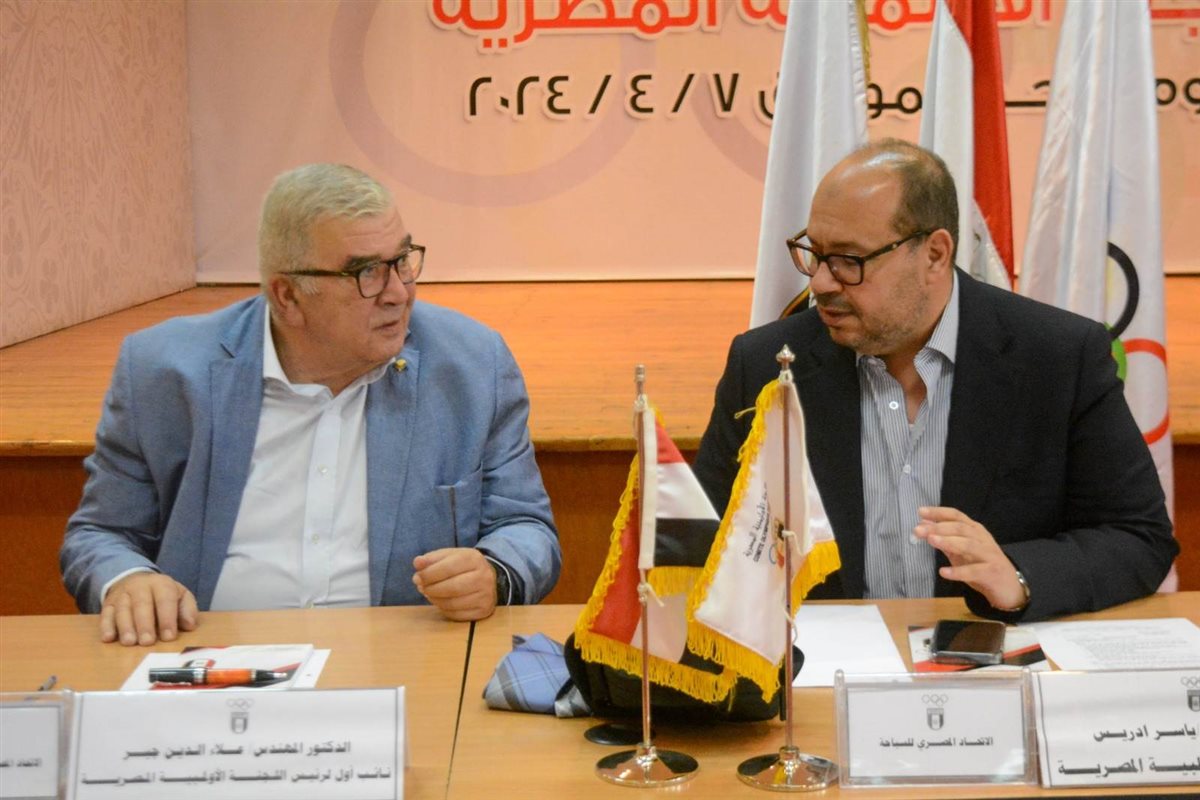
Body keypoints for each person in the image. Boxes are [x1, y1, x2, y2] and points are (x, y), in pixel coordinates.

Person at [61, 163, 561, 645]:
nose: (398, 293)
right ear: (287, 296)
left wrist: (494, 573)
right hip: (212, 663)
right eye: (366, 272)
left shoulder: (471, 365)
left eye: (402, 261)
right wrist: (128, 580)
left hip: (405, 663)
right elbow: (101, 534)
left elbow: (526, 528)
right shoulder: (166, 372)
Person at [694, 139, 1176, 622]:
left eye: (849, 260)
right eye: (814, 254)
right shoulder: (766, 366)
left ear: (934, 254)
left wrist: (1020, 576)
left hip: (985, 650)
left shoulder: (1058, 357)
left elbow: (1139, 536)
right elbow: (704, 546)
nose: (820, 282)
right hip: (822, 658)